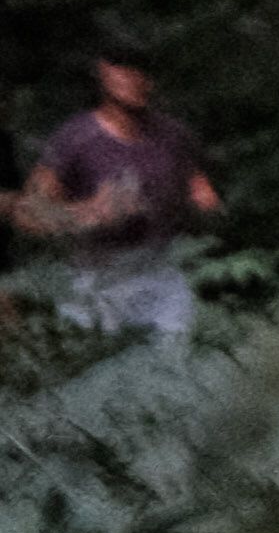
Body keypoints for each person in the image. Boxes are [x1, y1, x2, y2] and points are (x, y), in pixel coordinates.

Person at [15, 36, 218, 339]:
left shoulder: (171, 133)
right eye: (123, 71)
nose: (135, 80)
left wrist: (203, 200)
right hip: (100, 280)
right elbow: (28, 214)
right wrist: (87, 214)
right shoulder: (75, 140)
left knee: (180, 363)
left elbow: (198, 183)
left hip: (164, 272)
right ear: (104, 75)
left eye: (141, 72)